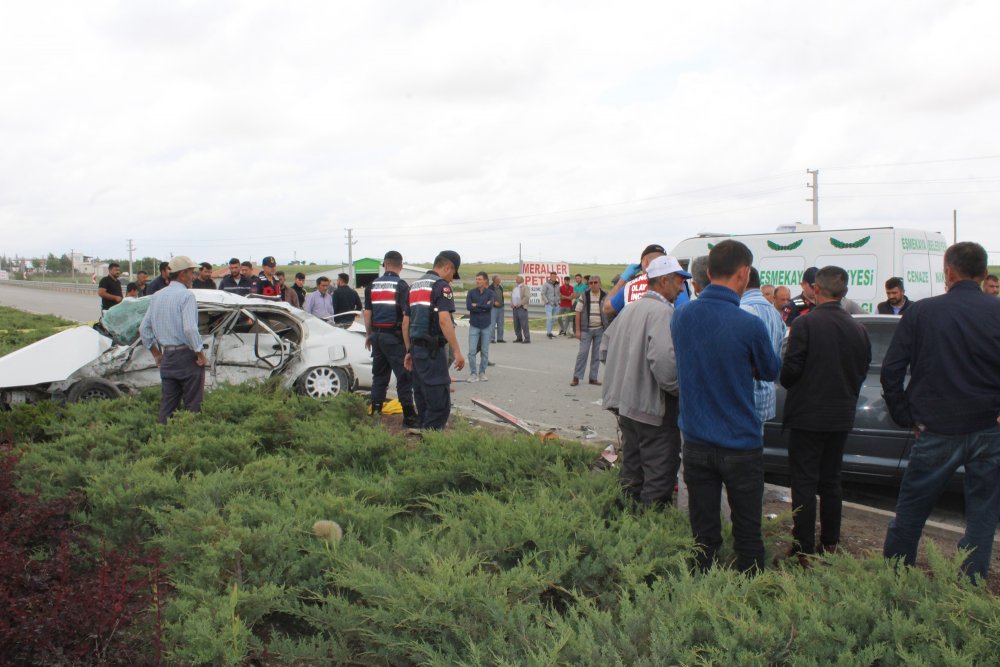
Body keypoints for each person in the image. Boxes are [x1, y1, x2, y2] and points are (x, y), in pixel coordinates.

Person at [881, 242, 1000, 583]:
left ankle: (895, 582)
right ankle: (969, 587)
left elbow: (892, 370)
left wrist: (905, 415)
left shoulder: (922, 312)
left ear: (948, 271)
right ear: (983, 273)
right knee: (982, 517)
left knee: (911, 512)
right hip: (988, 427)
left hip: (936, 428)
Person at [670, 240, 782, 574]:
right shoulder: (749, 324)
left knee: (703, 535)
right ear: (744, 273)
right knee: (748, 534)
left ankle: (701, 587)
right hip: (740, 443)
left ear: (708, 273)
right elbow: (770, 370)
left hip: (696, 441)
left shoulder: (681, 316)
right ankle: (748, 593)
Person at [780, 266, 871, 560]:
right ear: (844, 292)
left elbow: (790, 371)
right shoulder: (858, 328)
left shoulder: (805, 324)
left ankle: (803, 547)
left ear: (815, 290)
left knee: (804, 482)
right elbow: (861, 370)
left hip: (807, 415)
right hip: (840, 415)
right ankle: (830, 543)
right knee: (831, 480)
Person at [602, 256, 690, 507]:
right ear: (663, 281)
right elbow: (664, 363)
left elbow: (605, 350)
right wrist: (679, 390)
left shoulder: (629, 309)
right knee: (658, 472)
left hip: (626, 406)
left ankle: (626, 519)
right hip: (652, 409)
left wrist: (628, 375)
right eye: (679, 281)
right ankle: (651, 522)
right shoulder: (663, 313)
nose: (682, 288)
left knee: (632, 468)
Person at [139, 256, 207, 424]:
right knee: (192, 405)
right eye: (191, 273)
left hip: (168, 357)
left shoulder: (157, 296)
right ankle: (190, 436)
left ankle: (162, 436)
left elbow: (143, 329)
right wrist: (200, 353)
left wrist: (156, 354)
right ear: (182, 274)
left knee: (168, 405)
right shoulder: (186, 296)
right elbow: (190, 329)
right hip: (186, 356)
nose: (193, 277)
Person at [403, 251, 466, 430]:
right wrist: (457, 351)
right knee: (439, 402)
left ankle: (425, 434)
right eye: (453, 274)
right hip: (432, 352)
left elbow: (406, 323)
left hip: (417, 350)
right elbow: (444, 320)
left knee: (422, 397)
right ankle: (431, 440)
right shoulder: (440, 286)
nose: (451, 280)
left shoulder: (414, 286)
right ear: (447, 268)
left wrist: (409, 351)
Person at [363, 251, 417, 427]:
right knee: (404, 377)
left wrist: (369, 335)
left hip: (377, 337)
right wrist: (408, 345)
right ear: (401, 266)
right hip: (395, 338)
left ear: (384, 264)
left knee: (379, 377)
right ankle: (409, 417)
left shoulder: (372, 285)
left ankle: (375, 414)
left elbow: (367, 314)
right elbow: (406, 317)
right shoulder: (401, 286)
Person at [740, 268, 786, 427]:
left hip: (744, 396)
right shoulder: (775, 313)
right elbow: (777, 355)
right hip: (765, 396)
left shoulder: (740, 308)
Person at [571, 275, 608, 386]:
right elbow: (578, 312)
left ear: (599, 283)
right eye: (591, 283)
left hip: (600, 330)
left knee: (596, 355)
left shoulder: (605, 295)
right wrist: (577, 330)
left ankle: (593, 378)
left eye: (595, 282)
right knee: (582, 353)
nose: (593, 284)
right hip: (586, 330)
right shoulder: (584, 295)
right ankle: (576, 377)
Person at [466, 271, 495, 382]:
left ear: (485, 281)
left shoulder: (490, 293)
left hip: (486, 325)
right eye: (476, 279)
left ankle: (482, 372)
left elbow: (489, 307)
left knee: (485, 351)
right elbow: (469, 306)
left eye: (479, 279)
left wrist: (476, 305)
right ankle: (473, 373)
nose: (477, 281)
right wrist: (483, 306)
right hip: (474, 325)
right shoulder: (471, 292)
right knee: (472, 351)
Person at [511, 275, 531, 343]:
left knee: (524, 324)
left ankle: (527, 338)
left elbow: (527, 297)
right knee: (516, 324)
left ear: (522, 279)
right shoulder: (514, 287)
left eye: (518, 278)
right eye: (516, 278)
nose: (516, 279)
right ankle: (519, 337)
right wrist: (512, 303)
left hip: (522, 307)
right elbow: (512, 296)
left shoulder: (525, 287)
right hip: (515, 308)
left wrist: (520, 304)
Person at [542, 272, 559, 339]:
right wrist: (547, 302)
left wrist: (559, 301)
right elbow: (543, 293)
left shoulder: (557, 284)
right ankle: (548, 333)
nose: (554, 277)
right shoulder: (546, 284)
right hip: (549, 304)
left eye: (555, 276)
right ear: (550, 277)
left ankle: (550, 332)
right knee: (549, 318)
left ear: (556, 277)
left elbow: (558, 293)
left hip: (556, 304)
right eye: (552, 276)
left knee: (554, 319)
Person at [490, 275, 506, 343]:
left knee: (501, 324)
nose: (500, 280)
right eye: (498, 279)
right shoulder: (490, 288)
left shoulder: (500, 287)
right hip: (493, 308)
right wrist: (493, 303)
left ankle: (500, 338)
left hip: (501, 308)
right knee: (492, 324)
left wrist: (502, 304)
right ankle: (492, 339)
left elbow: (502, 296)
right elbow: (488, 298)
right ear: (494, 280)